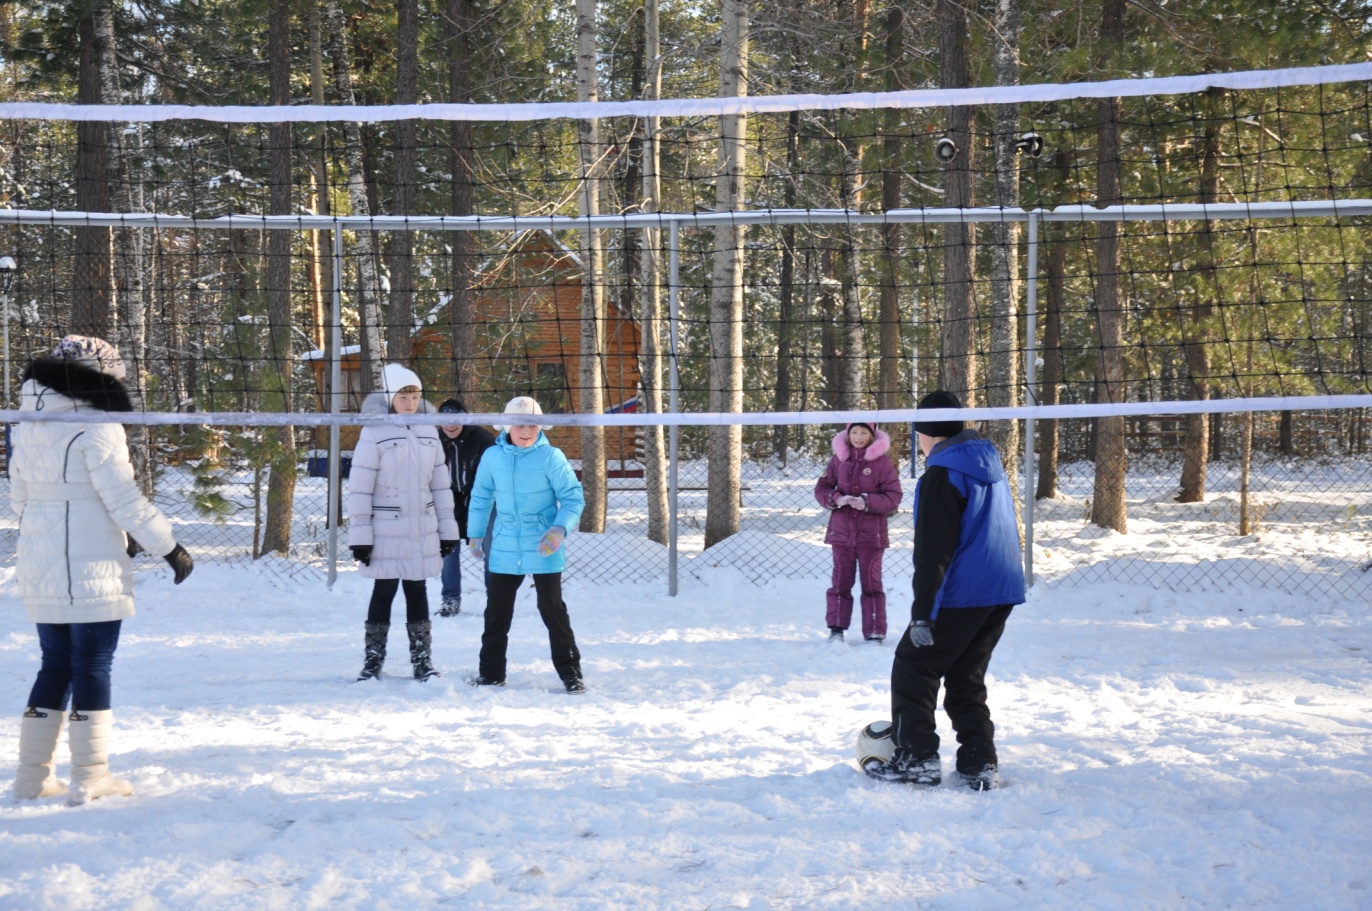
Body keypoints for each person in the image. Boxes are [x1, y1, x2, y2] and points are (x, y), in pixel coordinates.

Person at [9, 335, 194, 805]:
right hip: (88, 563)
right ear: (98, 376)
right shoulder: (98, 424)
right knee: (92, 663)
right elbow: (123, 499)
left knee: (54, 665)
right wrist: (167, 546)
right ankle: (91, 777)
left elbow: (20, 499)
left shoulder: (27, 421)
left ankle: (32, 777)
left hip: (40, 557)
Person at [863, 390, 1026, 791]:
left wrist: (923, 613)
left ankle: (917, 760)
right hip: (1001, 589)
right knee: (965, 673)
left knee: (913, 665)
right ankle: (978, 763)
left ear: (925, 431)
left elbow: (933, 551)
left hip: (965, 592)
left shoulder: (942, 473)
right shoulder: (987, 461)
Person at [465, 396, 587, 694]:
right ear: (506, 425)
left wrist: (558, 530)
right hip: (505, 542)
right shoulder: (493, 457)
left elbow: (573, 499)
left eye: (532, 423)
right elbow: (481, 497)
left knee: (552, 609)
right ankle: (491, 674)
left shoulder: (551, 457)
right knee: (496, 612)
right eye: (519, 423)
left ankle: (571, 674)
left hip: (543, 543)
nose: (526, 429)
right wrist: (475, 533)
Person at [347, 363, 459, 682]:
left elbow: (440, 485)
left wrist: (447, 532)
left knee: (417, 591)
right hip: (384, 531)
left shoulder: (428, 431)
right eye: (403, 396)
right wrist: (361, 537)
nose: (410, 403)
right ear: (389, 397)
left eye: (415, 396)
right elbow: (360, 487)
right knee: (383, 592)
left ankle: (422, 661)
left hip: (420, 530)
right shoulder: (374, 430)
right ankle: (372, 661)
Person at [814, 422, 903, 644]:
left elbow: (894, 496)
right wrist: (837, 499)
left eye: (864, 432)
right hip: (841, 533)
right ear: (847, 434)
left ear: (872, 435)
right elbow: (822, 488)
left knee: (871, 583)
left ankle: (874, 632)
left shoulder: (882, 462)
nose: (858, 436)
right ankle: (836, 629)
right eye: (854, 432)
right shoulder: (838, 460)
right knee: (840, 582)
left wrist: (867, 502)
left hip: (871, 535)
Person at [435, 398, 496, 617]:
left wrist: (477, 500)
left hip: (481, 501)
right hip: (449, 501)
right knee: (447, 549)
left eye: (455, 420)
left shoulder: (483, 439)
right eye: (445, 420)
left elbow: (491, 475)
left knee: (490, 547)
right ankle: (450, 598)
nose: (450, 425)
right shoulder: (435, 439)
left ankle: (495, 599)